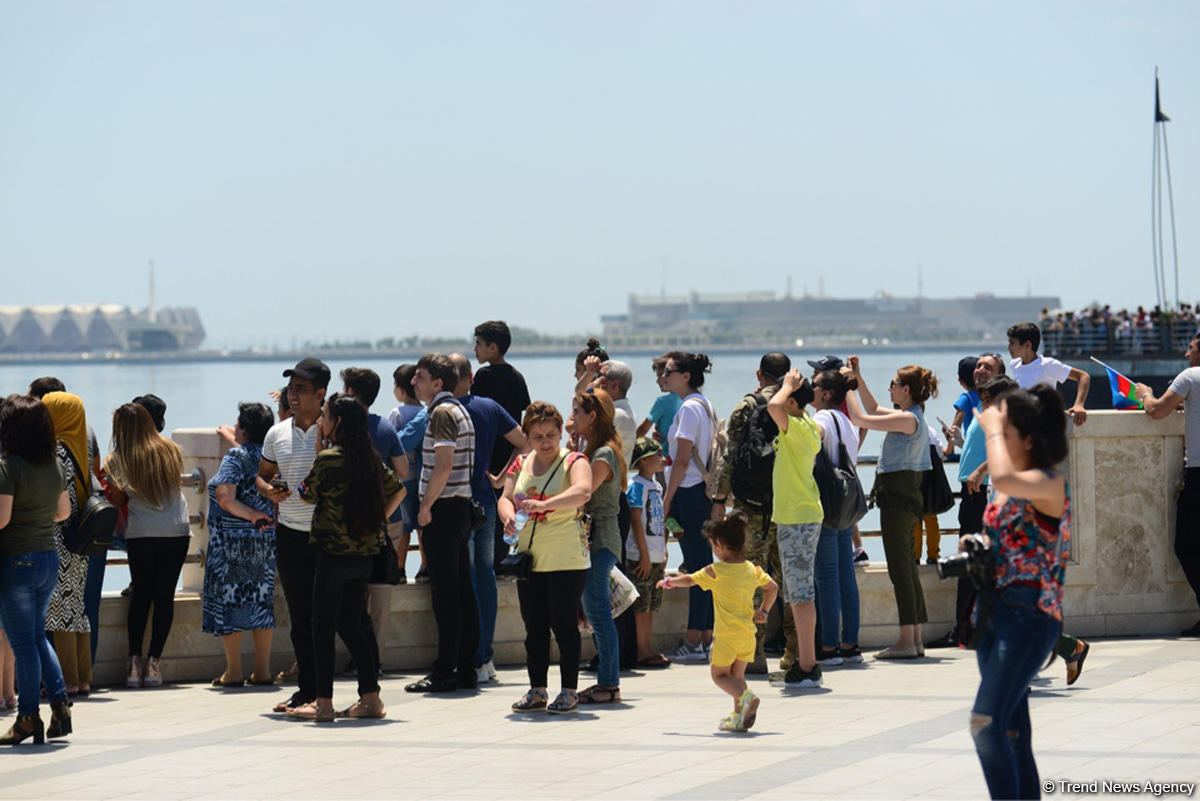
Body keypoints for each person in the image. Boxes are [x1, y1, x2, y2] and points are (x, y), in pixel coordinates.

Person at [969, 386, 1071, 799]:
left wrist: (991, 425)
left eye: (1007, 430)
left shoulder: (1048, 482)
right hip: (993, 613)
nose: (1000, 435)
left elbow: (1002, 476)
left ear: (1027, 439)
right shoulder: (1014, 488)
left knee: (985, 724)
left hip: (1028, 619)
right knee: (1011, 732)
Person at [288, 395, 404, 721]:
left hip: (332, 555)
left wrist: (317, 452)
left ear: (337, 422)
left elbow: (305, 493)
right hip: (363, 556)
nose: (321, 421)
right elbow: (399, 489)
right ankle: (371, 698)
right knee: (355, 626)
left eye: (325, 416)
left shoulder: (329, 458)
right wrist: (376, 519)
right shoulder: (368, 458)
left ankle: (322, 702)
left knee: (322, 627)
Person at [498, 402, 593, 714]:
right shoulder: (520, 463)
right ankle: (537, 689)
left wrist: (546, 504)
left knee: (564, 624)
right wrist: (508, 516)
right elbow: (505, 497)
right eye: (537, 436)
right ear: (527, 436)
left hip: (566, 556)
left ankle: (569, 691)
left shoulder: (574, 460)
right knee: (534, 626)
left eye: (551, 434)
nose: (545, 441)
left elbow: (583, 492)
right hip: (530, 557)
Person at [845, 356, 935, 659]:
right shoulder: (911, 416)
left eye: (893, 384)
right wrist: (858, 378)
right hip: (902, 500)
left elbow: (860, 419)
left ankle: (907, 641)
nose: (890, 388)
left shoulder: (908, 419)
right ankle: (915, 639)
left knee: (901, 569)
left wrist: (846, 386)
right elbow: (870, 410)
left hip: (898, 501)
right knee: (906, 568)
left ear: (906, 389)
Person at [658, 513, 778, 732]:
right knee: (737, 677)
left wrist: (669, 582)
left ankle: (747, 698)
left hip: (726, 636)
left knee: (719, 675)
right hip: (747, 634)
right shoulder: (752, 569)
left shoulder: (717, 571)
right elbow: (773, 587)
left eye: (713, 545)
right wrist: (764, 611)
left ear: (720, 545)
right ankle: (738, 716)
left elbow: (690, 579)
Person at [711, 351, 792, 673]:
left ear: (760, 374)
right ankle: (794, 653)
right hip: (787, 504)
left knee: (751, 580)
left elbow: (730, 456)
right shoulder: (795, 404)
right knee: (789, 581)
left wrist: (719, 498)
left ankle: (753, 654)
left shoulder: (747, 406)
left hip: (751, 506)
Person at [449, 353, 527, 683]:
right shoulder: (489, 407)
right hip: (485, 500)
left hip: (455, 505)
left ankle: (466, 656)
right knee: (485, 579)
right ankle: (484, 657)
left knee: (463, 581)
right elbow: (524, 444)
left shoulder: (442, 412)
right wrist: (501, 477)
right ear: (471, 376)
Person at [0, 395, 73, 744]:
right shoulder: (53, 466)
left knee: (23, 643)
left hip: (16, 561)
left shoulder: (8, 467)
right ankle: (60, 708)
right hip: (47, 558)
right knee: (38, 637)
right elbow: (63, 513)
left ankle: (28, 717)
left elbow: (1, 519)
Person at [258, 357, 329, 712]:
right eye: (291, 388)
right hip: (289, 535)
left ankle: (332, 694)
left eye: (301, 389)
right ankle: (307, 691)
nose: (293, 395)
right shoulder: (277, 432)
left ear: (321, 393)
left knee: (330, 617)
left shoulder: (332, 431)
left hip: (326, 538)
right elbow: (263, 474)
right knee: (300, 618)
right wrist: (268, 490)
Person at [406, 353, 480, 693]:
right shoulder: (460, 409)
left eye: (419, 377)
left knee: (446, 595)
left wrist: (425, 506)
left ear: (438, 383)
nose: (413, 382)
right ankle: (465, 667)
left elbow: (444, 465)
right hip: (459, 508)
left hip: (444, 510)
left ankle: (445, 670)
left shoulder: (441, 413)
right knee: (462, 591)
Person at [105, 403, 190, 687]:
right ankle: (154, 664)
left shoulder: (118, 459)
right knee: (164, 596)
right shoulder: (170, 449)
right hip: (177, 530)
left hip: (142, 532)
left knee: (141, 596)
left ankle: (133, 663)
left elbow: (117, 501)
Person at [203, 402, 277, 687]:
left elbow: (225, 496)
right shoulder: (270, 457)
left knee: (230, 602)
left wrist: (251, 514)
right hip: (264, 542)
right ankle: (262, 671)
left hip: (232, 542)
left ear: (243, 430)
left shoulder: (235, 456)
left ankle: (233, 671)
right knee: (261, 602)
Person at [341, 367, 407, 675]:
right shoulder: (385, 428)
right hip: (388, 519)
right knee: (381, 591)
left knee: (355, 590)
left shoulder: (341, 428)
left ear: (351, 393)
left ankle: (358, 655)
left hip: (351, 522)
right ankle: (374, 658)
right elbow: (403, 472)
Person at [1136, 331, 1200, 637]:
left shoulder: (1190, 376)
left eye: (1191, 348)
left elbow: (1157, 411)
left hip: (1199, 474)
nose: (1187, 354)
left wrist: (1145, 394)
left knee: (1186, 546)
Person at [765, 369, 825, 688]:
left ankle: (807, 665)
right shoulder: (808, 426)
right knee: (798, 594)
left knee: (800, 595)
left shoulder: (800, 428)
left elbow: (773, 408)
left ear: (791, 402)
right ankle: (806, 661)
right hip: (798, 516)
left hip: (798, 518)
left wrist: (788, 387)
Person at [568, 388, 626, 704]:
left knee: (599, 614)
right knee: (595, 612)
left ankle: (609, 683)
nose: (572, 417)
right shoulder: (595, 450)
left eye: (577, 412)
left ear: (592, 417)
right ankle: (608, 681)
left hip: (600, 539)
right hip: (596, 539)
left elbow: (584, 491)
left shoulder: (603, 454)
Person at [660, 351, 719, 663]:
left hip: (687, 493)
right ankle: (705, 636)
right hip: (701, 493)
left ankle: (695, 638)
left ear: (685, 376)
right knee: (702, 564)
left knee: (696, 568)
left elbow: (682, 459)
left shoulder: (688, 410)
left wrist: (667, 500)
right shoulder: (705, 405)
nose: (664, 376)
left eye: (669, 371)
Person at [41, 392, 93, 696]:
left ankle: (69, 680)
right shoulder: (80, 449)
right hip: (79, 540)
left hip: (59, 538)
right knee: (77, 609)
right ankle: (84, 677)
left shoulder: (57, 452)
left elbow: (57, 504)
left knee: (59, 610)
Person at [810, 369, 863, 666]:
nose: (810, 389)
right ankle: (850, 643)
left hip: (826, 504)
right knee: (846, 576)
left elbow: (810, 446)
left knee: (827, 577)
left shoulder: (820, 420)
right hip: (846, 504)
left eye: (814, 386)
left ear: (826, 393)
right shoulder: (845, 420)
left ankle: (828, 646)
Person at [471, 320, 532, 570]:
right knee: (506, 516)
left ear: (493, 348)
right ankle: (501, 562)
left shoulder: (483, 376)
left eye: (479, 344)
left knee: (485, 516)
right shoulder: (517, 376)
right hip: (512, 457)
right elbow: (523, 419)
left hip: (486, 455)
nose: (475, 349)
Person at [625, 438, 669, 667]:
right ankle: (641, 649)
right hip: (640, 555)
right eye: (657, 455)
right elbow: (635, 518)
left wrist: (663, 549)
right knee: (641, 606)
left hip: (654, 555)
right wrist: (643, 554)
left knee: (651, 604)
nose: (662, 459)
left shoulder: (657, 486)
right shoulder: (637, 485)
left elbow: (660, 519)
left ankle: (646, 646)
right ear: (643, 461)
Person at [1006, 321, 1090, 425]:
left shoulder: (1047, 364)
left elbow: (1083, 376)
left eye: (1012, 343)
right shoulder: (1014, 365)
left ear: (1027, 345)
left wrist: (1079, 405)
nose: (1008, 348)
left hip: (1045, 427)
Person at [387, 364, 424, 584]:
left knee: (402, 527)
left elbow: (392, 443)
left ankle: (399, 568)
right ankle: (425, 566)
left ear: (401, 390)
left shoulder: (397, 413)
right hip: (421, 479)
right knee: (421, 527)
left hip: (401, 479)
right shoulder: (425, 412)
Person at [637, 355, 682, 459]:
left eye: (659, 376)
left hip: (666, 461)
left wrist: (628, 449)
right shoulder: (689, 398)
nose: (657, 381)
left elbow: (642, 430)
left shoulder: (662, 402)